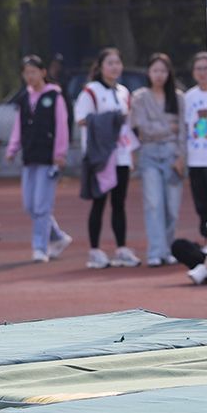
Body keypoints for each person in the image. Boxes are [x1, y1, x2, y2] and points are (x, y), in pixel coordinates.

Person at [75, 46, 140, 268]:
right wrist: (110, 119)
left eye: (117, 63)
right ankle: (95, 250)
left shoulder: (123, 92)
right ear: (100, 67)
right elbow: (81, 119)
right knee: (99, 202)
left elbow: (127, 125)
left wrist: (131, 154)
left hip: (121, 154)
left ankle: (121, 248)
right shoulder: (91, 91)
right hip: (101, 156)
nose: (114, 67)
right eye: (110, 63)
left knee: (119, 203)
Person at [6, 55, 70, 262]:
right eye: (26, 73)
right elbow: (19, 126)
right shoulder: (25, 98)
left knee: (42, 206)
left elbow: (62, 126)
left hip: (48, 159)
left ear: (43, 72)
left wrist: (60, 153)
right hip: (30, 157)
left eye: (33, 72)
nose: (30, 76)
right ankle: (57, 236)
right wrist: (13, 148)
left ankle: (40, 247)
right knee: (30, 205)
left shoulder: (54, 96)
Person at [129, 52, 186, 267]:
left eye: (163, 71)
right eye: (155, 70)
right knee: (153, 204)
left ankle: (168, 248)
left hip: (172, 155)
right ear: (149, 73)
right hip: (149, 155)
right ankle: (155, 250)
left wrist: (182, 157)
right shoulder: (140, 97)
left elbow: (183, 130)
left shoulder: (178, 98)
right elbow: (142, 128)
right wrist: (168, 128)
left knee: (172, 207)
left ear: (169, 73)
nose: (159, 75)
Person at [181, 52, 207, 240]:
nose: (202, 72)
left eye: (206, 68)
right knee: (201, 205)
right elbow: (185, 127)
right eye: (198, 68)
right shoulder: (189, 97)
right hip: (195, 158)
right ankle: (206, 240)